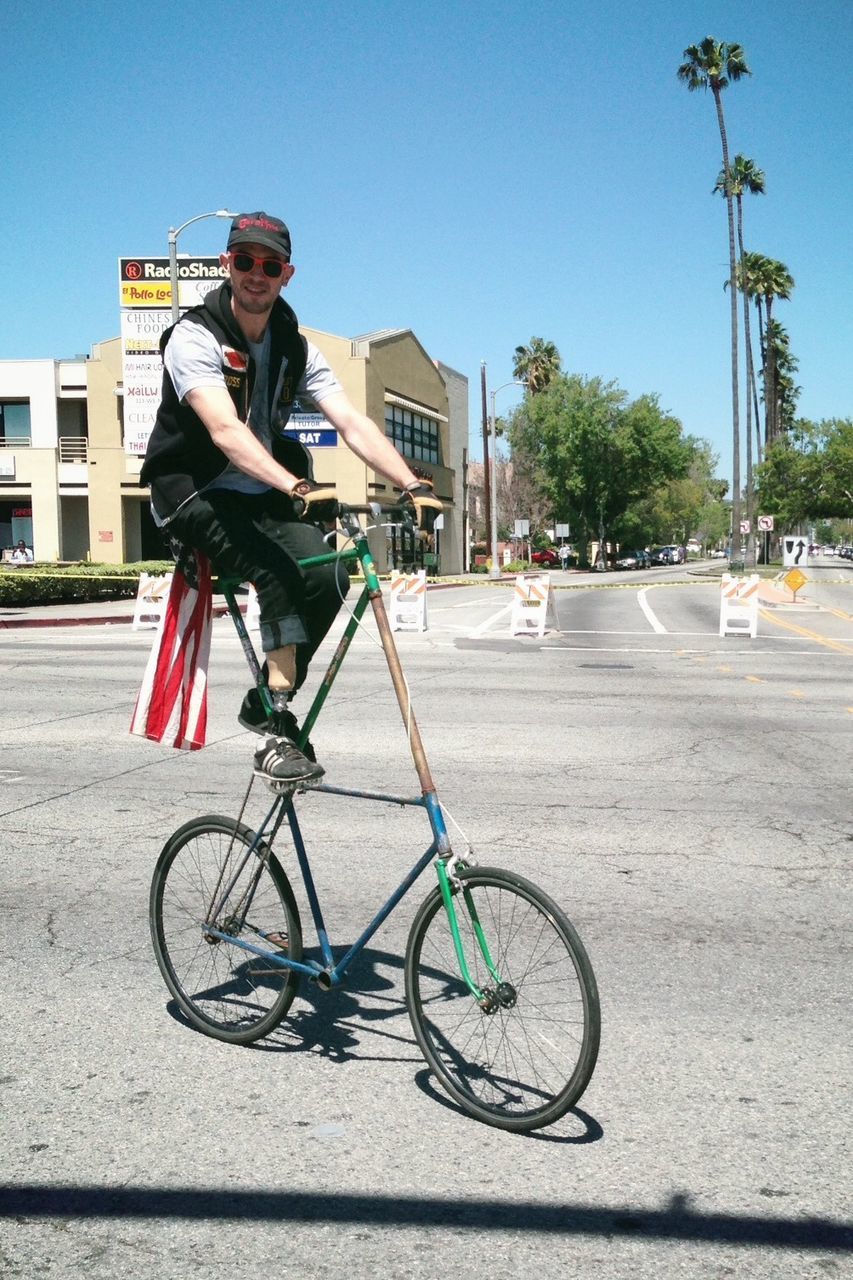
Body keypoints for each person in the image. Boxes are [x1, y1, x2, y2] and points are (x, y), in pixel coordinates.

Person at [140, 211, 442, 787]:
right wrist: (296, 485)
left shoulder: (293, 348)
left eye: (270, 265)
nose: (257, 274)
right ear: (228, 265)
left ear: (287, 274)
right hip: (193, 492)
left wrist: (412, 483)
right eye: (245, 261)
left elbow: (350, 421)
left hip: (254, 494)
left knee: (329, 573)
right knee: (276, 573)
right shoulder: (194, 337)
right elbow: (225, 431)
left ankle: (266, 700)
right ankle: (278, 736)